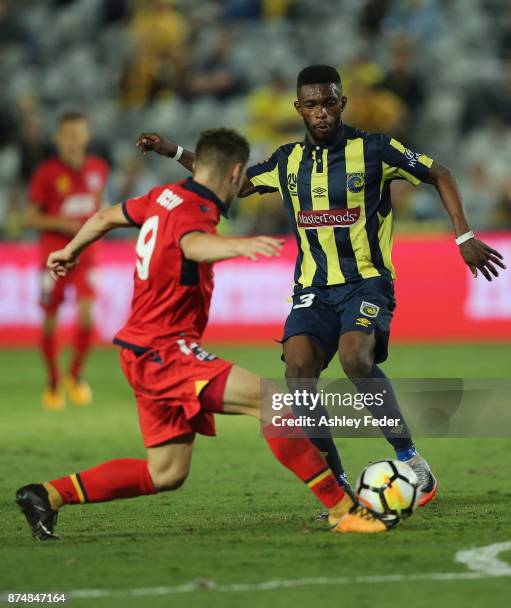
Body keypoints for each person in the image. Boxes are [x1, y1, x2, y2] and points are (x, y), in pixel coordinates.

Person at [136, 65, 506, 509]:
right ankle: (339, 479)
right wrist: (174, 151)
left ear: (342, 103)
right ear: (299, 109)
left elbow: (440, 173)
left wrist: (463, 235)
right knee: (297, 373)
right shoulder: (287, 160)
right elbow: (224, 179)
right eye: (312, 104)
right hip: (312, 289)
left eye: (329, 102)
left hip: (367, 283)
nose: (322, 112)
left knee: (354, 358)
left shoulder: (376, 149)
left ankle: (410, 458)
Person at [16, 128, 392, 541]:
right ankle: (343, 508)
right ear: (235, 173)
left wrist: (70, 249)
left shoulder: (163, 196)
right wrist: (238, 247)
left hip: (141, 350)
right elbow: (192, 245)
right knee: (272, 403)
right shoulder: (195, 211)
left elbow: (106, 217)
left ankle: (47, 495)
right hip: (165, 350)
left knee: (167, 472)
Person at [25, 112, 109, 411]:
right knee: (51, 319)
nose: (73, 140)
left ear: (86, 137)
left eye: (78, 134)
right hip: (54, 256)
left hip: (86, 255)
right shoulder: (46, 173)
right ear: (58, 139)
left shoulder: (98, 169)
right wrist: (66, 224)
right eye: (68, 135)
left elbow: (99, 206)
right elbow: (30, 217)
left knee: (87, 316)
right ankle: (52, 380)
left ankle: (74, 376)